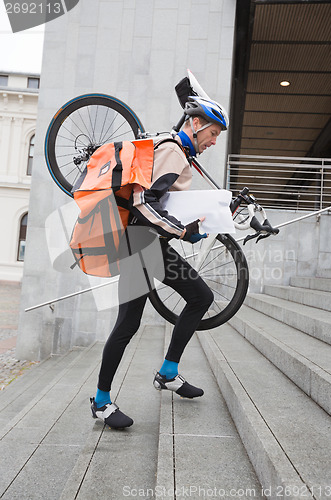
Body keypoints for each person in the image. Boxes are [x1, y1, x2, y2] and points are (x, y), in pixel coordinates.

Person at [90, 95, 229, 429]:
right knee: (128, 323)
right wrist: (182, 232)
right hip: (139, 244)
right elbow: (144, 202)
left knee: (200, 297)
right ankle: (101, 401)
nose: (213, 142)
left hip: (148, 244)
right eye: (213, 134)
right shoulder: (171, 150)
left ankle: (168, 373)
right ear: (195, 124)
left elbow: (160, 203)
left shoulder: (175, 149)